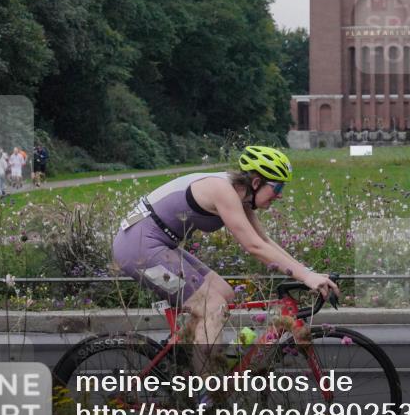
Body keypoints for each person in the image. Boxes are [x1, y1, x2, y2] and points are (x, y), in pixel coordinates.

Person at [112, 146, 339, 377]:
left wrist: (309, 272)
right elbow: (254, 247)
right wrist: (307, 277)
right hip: (138, 248)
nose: (280, 194)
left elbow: (264, 240)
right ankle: (206, 395)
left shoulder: (242, 196)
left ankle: (183, 358)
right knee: (213, 308)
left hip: (159, 244)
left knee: (224, 293)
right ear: (256, 182)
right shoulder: (224, 191)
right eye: (278, 186)